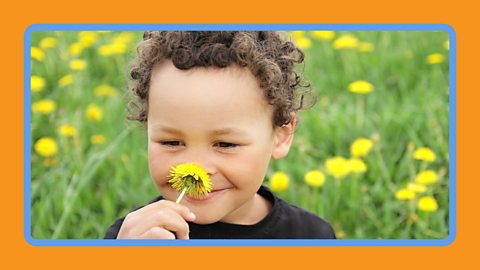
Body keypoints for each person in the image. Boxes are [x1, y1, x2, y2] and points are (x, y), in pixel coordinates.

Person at [105, 31, 335, 239]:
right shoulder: (136, 236)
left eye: (225, 144)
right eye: (171, 142)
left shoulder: (311, 236)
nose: (195, 168)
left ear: (280, 136)